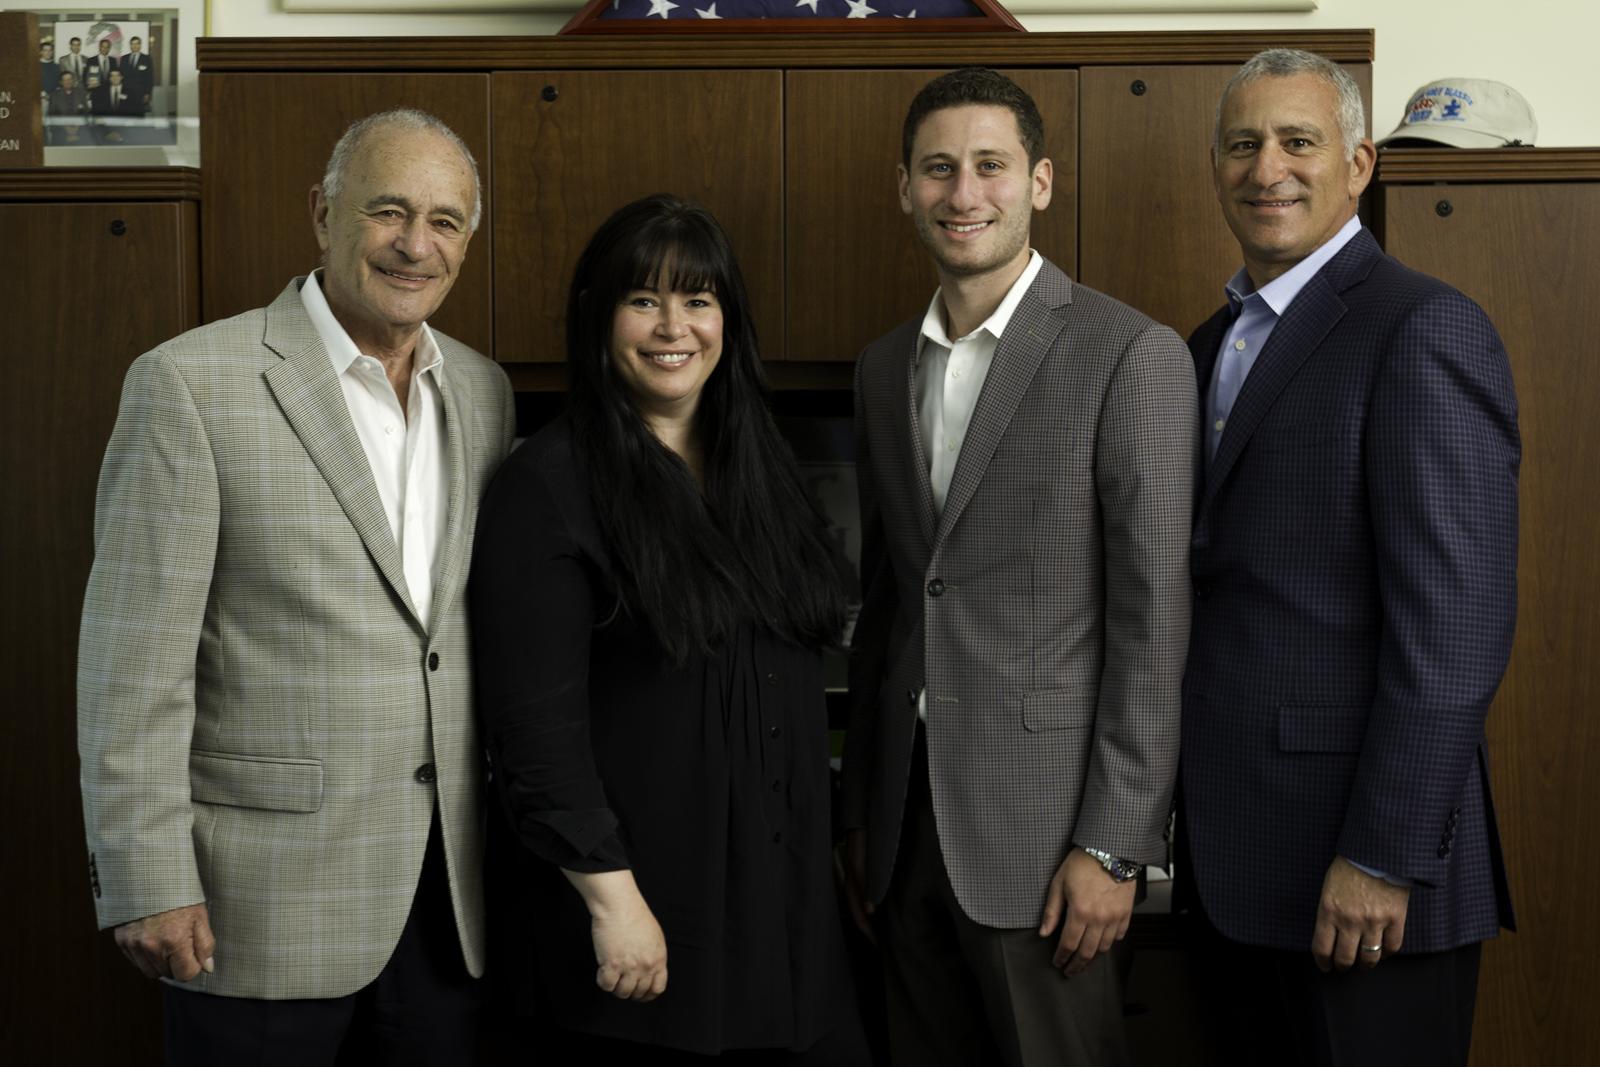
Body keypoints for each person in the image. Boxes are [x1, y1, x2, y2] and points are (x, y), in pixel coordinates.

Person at [77, 108, 516, 1064]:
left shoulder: (484, 394)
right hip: (254, 909)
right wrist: (148, 872)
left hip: (447, 905)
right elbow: (131, 662)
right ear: (323, 212)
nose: (415, 244)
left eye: (445, 221)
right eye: (388, 210)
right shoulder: (191, 384)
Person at [841, 67, 1196, 1066]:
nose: (964, 193)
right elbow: (890, 607)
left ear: (1039, 182)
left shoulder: (1130, 354)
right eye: (938, 168)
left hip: (1048, 847)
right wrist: (863, 816)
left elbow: (1152, 621)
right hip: (903, 838)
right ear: (902, 186)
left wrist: (1115, 845)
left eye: (989, 166)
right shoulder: (879, 370)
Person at [1176, 48, 1519, 1066]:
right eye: (1242, 144)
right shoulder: (1209, 344)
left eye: (1297, 141)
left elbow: (1453, 632)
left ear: (1359, 163)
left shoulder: (1422, 328)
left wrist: (1381, 853)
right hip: (1236, 869)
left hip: (1365, 878)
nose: (1265, 168)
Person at [470, 194, 870, 1064]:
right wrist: (614, 903)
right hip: (641, 918)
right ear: (599, 317)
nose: (672, 327)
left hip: (784, 910)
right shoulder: (546, 487)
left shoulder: (764, 468)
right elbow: (534, 734)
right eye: (642, 299)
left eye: (698, 299)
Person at [47, 70, 88, 145]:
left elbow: (86, 113)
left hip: (80, 129)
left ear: (73, 80)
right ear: (61, 82)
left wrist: (77, 127)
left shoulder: (81, 93)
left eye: (69, 79)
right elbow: (52, 116)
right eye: (65, 80)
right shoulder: (54, 95)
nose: (68, 82)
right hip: (61, 130)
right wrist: (66, 128)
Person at [120, 35, 154, 112]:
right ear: (130, 45)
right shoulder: (124, 58)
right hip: (126, 93)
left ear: (140, 45)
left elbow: (150, 78)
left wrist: (147, 93)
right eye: (132, 44)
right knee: (126, 115)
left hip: (140, 93)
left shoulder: (146, 59)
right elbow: (121, 76)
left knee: (139, 115)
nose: (134, 46)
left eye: (136, 43)